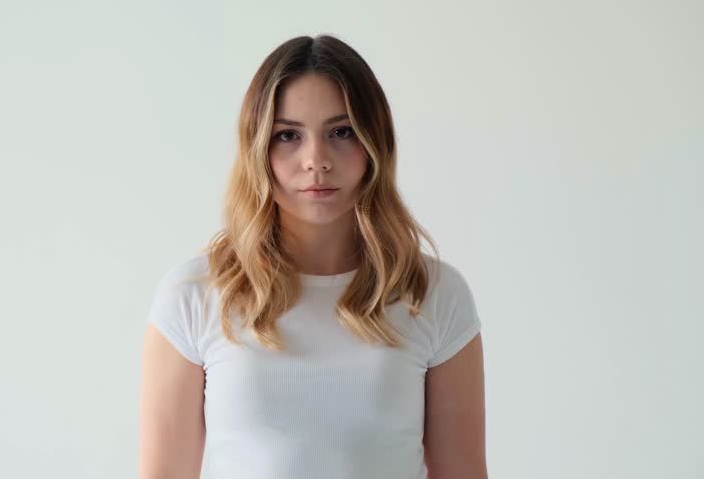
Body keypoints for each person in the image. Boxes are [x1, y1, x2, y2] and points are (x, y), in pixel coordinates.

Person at [138, 34, 487, 479]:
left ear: (374, 142)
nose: (316, 160)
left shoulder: (434, 295)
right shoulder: (194, 296)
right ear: (256, 148)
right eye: (288, 135)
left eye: (341, 132)